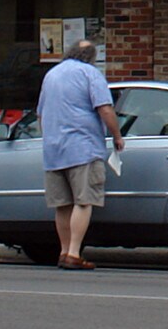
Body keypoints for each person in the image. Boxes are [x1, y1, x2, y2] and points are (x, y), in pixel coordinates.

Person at [35, 39, 123, 271]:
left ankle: (63, 252)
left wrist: (50, 138)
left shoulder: (51, 75)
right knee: (84, 201)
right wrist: (117, 135)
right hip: (83, 147)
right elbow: (104, 107)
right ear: (92, 57)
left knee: (62, 204)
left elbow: (41, 115)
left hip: (53, 150)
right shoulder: (90, 74)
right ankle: (74, 252)